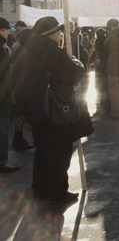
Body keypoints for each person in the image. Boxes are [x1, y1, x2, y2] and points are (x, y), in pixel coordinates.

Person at [22, 16, 92, 203]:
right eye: (59, 32)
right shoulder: (54, 52)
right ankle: (58, 192)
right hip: (55, 108)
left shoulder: (29, 50)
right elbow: (75, 74)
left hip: (37, 107)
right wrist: (76, 63)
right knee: (59, 151)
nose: (60, 35)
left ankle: (40, 188)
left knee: (42, 149)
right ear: (52, 33)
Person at [0, 17, 21, 173]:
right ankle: (2, 161)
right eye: (7, 30)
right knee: (2, 129)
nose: (8, 34)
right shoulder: (1, 49)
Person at [10, 27, 34, 151]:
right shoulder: (25, 50)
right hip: (23, 84)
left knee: (19, 114)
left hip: (17, 83)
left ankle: (18, 139)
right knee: (22, 113)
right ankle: (18, 140)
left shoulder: (16, 47)